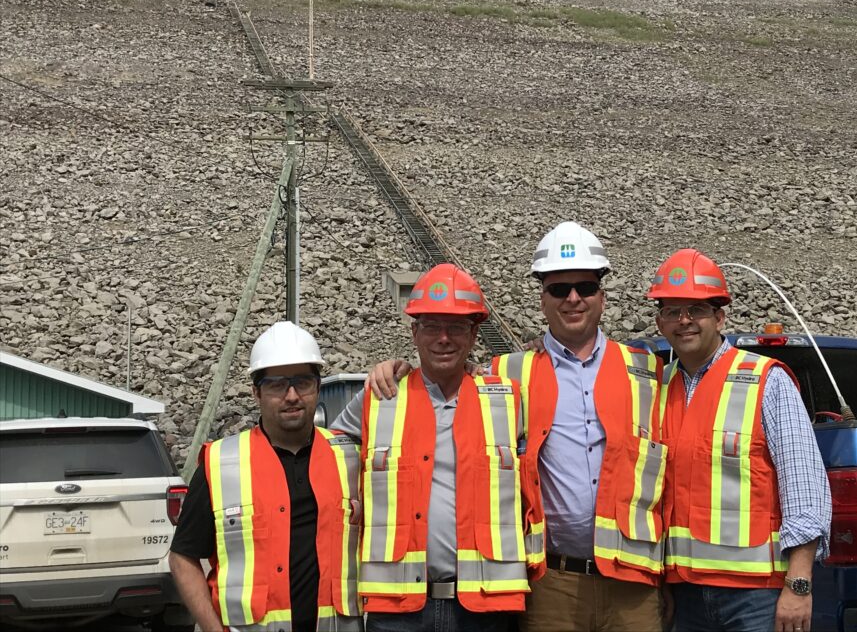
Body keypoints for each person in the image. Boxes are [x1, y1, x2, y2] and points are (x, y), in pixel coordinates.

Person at [366, 223, 668, 632]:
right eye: (559, 290)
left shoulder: (647, 371)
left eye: (585, 286)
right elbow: (444, 370)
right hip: (552, 580)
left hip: (633, 581)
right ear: (542, 298)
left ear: (603, 294)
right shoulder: (506, 374)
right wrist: (395, 369)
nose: (573, 298)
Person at [331, 263, 529, 632]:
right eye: (432, 326)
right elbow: (327, 457)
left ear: (473, 335)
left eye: (456, 327)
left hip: (485, 609)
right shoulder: (379, 397)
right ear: (414, 332)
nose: (444, 338)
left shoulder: (506, 401)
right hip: (398, 611)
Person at [649, 249, 831, 632]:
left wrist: (799, 586)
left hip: (756, 597)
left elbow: (805, 488)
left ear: (719, 317)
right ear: (659, 322)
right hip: (685, 595)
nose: (684, 321)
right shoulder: (658, 388)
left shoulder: (767, 380)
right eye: (672, 311)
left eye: (696, 310)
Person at [169, 321, 361, 632]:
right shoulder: (222, 463)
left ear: (317, 386)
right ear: (256, 392)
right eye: (276, 385)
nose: (291, 395)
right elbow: (183, 559)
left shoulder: (350, 457)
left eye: (302, 382)